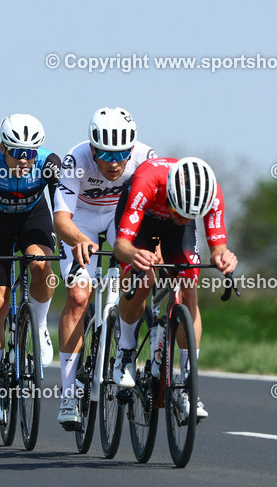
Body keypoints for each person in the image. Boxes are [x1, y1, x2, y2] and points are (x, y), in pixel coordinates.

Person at [111, 156, 238, 419]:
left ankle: (188, 386)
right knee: (144, 278)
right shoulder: (146, 181)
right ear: (170, 194)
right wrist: (136, 254)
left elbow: (218, 249)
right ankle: (125, 352)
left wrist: (222, 257)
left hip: (174, 231)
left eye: (191, 215)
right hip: (142, 220)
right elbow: (120, 246)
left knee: (188, 285)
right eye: (180, 212)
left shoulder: (209, 194)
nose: (184, 218)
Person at [52, 107, 155, 429]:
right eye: (106, 155)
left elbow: (154, 213)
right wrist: (80, 241)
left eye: (122, 154)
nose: (114, 163)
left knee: (141, 277)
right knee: (79, 296)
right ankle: (69, 394)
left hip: (122, 217)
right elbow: (60, 219)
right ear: (93, 148)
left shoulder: (145, 157)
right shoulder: (76, 159)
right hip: (80, 219)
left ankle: (125, 352)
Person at [0, 114, 60, 424]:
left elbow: (62, 211)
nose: (24, 160)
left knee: (42, 266)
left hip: (32, 218)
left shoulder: (49, 162)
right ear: (3, 148)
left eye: (30, 154)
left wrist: (66, 248)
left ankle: (38, 325)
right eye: (17, 153)